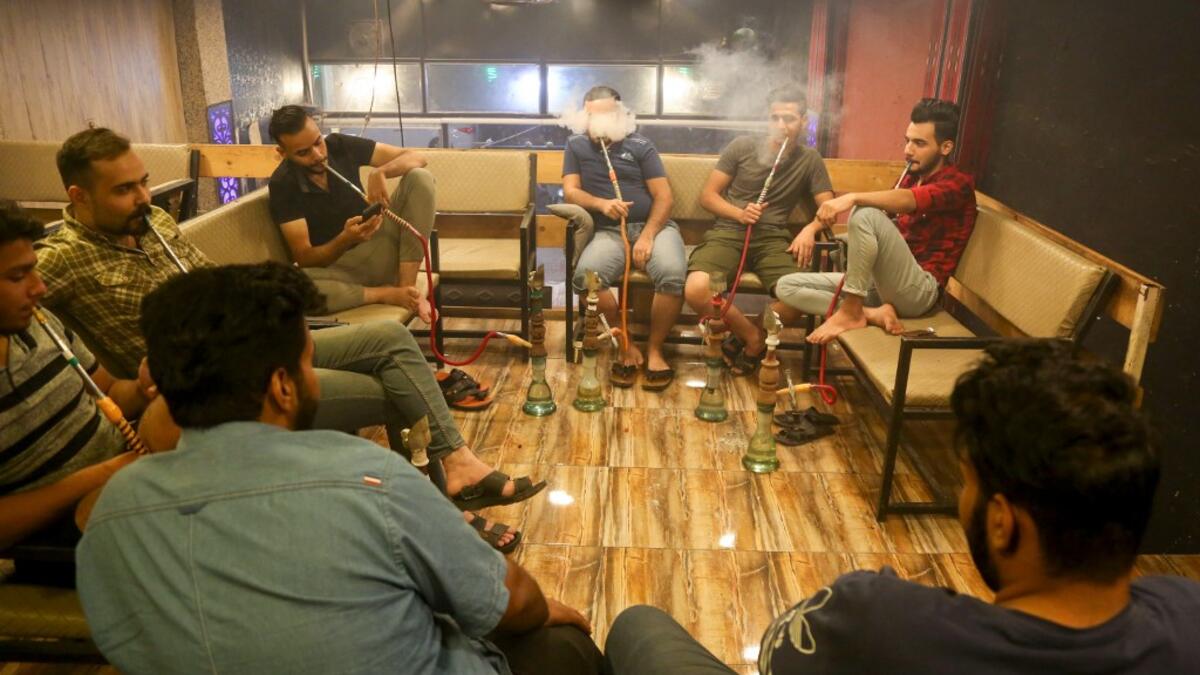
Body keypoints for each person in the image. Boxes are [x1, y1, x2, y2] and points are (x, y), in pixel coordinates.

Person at [76, 262, 606, 675]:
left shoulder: (110, 513)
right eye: (308, 362)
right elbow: (514, 601)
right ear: (282, 387)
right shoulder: (371, 479)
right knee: (565, 645)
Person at [34, 127, 540, 547]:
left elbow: (214, 280)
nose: (144, 198)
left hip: (252, 345)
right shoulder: (62, 259)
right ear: (78, 196)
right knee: (395, 392)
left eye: (144, 183)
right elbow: (18, 307)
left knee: (390, 338)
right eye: (124, 190)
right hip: (213, 387)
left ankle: (457, 462)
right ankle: (441, 519)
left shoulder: (156, 224)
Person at [605, 340, 1200, 674]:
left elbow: (775, 659)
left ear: (1003, 522)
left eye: (966, 483)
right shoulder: (1188, 615)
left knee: (637, 626)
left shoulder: (876, 619)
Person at [777, 98, 977, 344]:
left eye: (919, 143)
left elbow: (910, 200)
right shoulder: (912, 177)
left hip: (919, 291)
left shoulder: (958, 184)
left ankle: (851, 310)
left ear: (945, 148)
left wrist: (851, 198)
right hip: (883, 286)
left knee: (864, 212)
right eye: (907, 141)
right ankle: (871, 314)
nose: (908, 150)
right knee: (787, 286)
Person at [683, 84, 834, 375]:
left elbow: (828, 208)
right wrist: (739, 213)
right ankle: (752, 338)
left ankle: (747, 337)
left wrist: (810, 229)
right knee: (697, 289)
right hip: (728, 233)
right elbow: (708, 197)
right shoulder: (741, 147)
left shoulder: (809, 160)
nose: (781, 126)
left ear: (804, 121)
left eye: (789, 119)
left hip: (773, 239)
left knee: (802, 295)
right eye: (774, 118)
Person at [563, 85, 685, 390]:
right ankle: (625, 342)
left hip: (653, 228)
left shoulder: (641, 145)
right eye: (592, 115)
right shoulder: (576, 145)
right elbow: (571, 191)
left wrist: (647, 236)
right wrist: (601, 204)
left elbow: (664, 197)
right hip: (609, 232)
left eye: (606, 115)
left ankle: (655, 349)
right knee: (586, 279)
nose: (598, 122)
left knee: (672, 275)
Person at [268, 105, 433, 320]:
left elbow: (417, 157)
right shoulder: (282, 184)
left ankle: (407, 289)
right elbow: (305, 258)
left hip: (382, 245)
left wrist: (381, 172)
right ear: (283, 153)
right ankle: (384, 294)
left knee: (420, 178)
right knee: (287, 288)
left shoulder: (339, 145)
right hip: (341, 271)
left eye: (318, 142)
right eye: (303, 152)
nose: (318, 155)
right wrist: (344, 240)